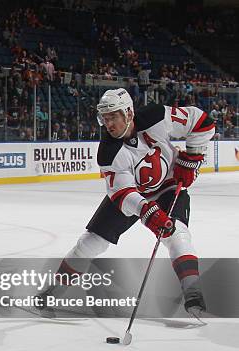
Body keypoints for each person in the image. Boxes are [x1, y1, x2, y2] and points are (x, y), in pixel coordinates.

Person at [39, 88, 215, 317]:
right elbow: (124, 194)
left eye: (113, 116)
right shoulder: (108, 152)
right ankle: (53, 289)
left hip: (169, 186)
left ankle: (193, 293)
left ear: (129, 113)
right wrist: (148, 212)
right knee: (90, 243)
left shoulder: (156, 116)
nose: (107, 123)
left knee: (177, 234)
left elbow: (202, 122)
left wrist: (192, 158)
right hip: (132, 194)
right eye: (104, 117)